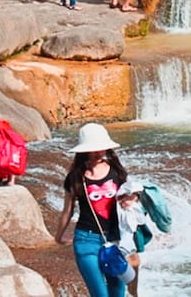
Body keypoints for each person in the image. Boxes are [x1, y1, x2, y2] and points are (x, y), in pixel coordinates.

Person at [54, 123, 129, 297]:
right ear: (84, 151)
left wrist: (130, 202)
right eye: (94, 149)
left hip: (115, 238)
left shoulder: (117, 172)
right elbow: (68, 210)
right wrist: (59, 235)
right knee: (100, 294)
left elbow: (130, 199)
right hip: (86, 239)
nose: (99, 153)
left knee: (118, 290)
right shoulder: (75, 177)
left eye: (101, 148)